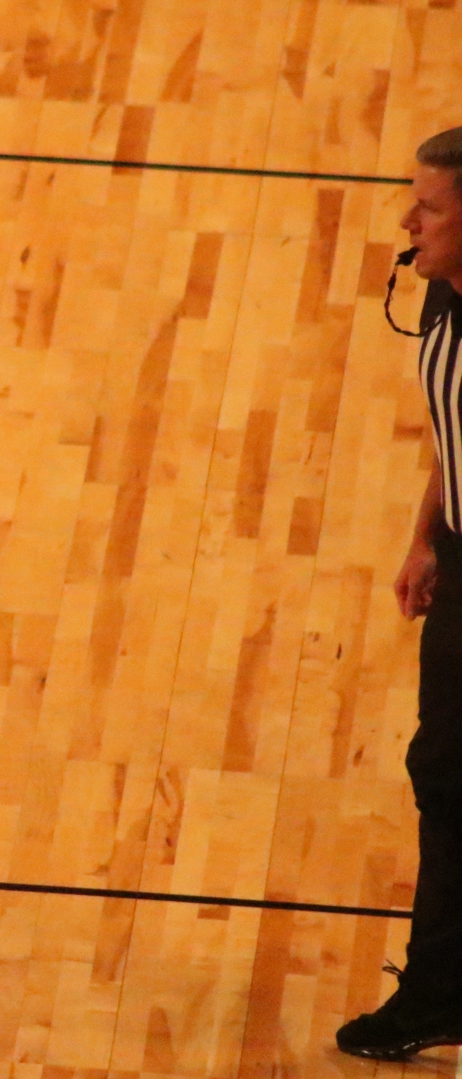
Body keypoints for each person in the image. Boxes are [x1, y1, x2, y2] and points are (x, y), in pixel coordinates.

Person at [338, 128, 462, 1059]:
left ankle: (437, 991)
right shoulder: (441, 293)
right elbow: (452, 424)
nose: (407, 221)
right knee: (445, 772)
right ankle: (438, 989)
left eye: (428, 206)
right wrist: (426, 533)